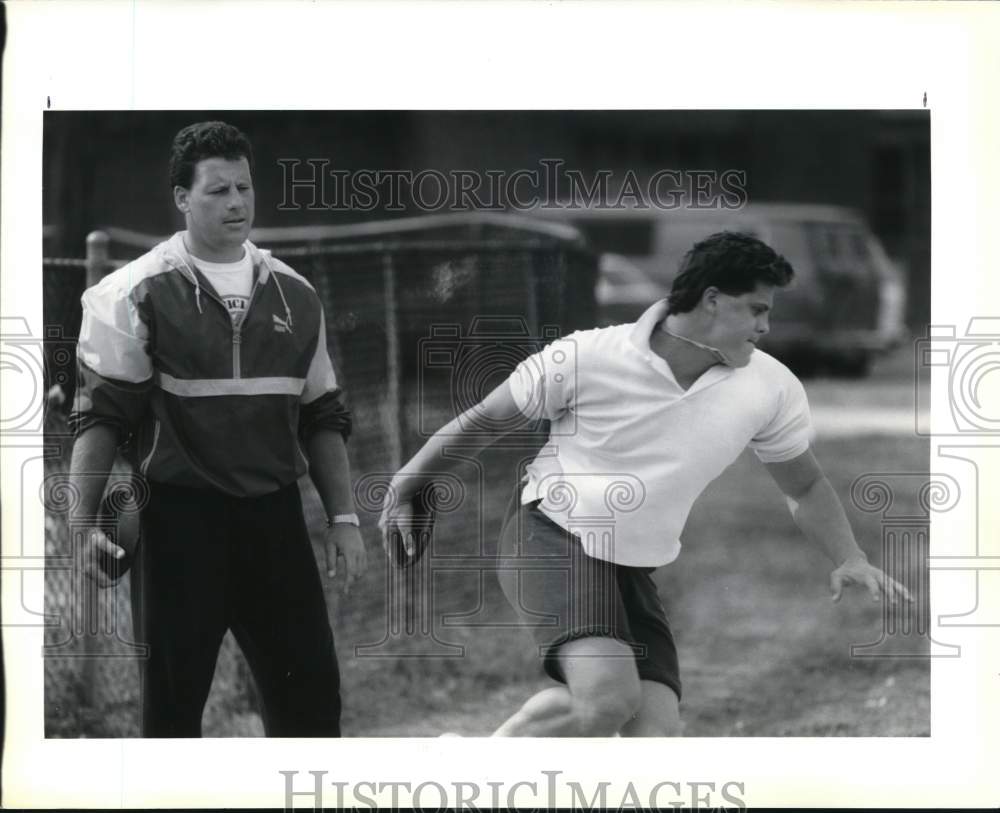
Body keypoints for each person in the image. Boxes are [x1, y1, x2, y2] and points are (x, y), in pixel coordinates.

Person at [380, 231, 912, 737]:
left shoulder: (771, 387)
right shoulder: (587, 354)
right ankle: (466, 776)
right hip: (551, 537)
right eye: (757, 308)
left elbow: (807, 486)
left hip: (631, 566)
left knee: (653, 737)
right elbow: (485, 421)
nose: (765, 326)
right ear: (711, 300)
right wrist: (407, 484)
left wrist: (849, 555)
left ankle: (478, 757)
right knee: (606, 700)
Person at [69, 120, 366, 737]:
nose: (236, 203)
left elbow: (323, 415)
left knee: (311, 705)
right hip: (177, 524)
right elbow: (101, 417)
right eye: (217, 191)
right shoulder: (132, 293)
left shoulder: (295, 294)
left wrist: (343, 519)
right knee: (173, 716)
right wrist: (79, 523)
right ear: (182, 198)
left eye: (244, 188)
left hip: (273, 520)